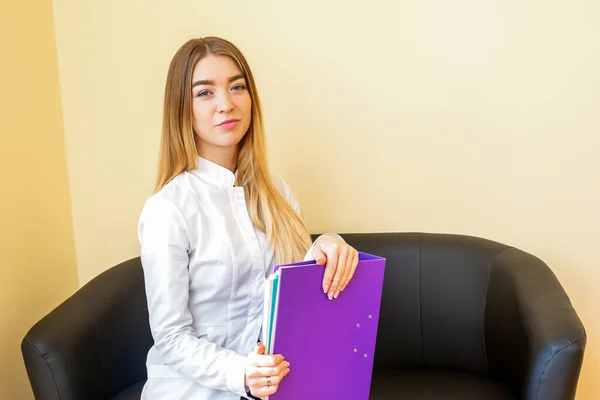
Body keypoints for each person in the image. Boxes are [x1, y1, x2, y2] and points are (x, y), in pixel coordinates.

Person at [137, 36, 359, 400]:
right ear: (182, 109)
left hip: (277, 386)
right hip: (195, 392)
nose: (226, 104)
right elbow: (172, 338)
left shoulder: (277, 190)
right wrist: (241, 372)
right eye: (205, 93)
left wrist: (326, 245)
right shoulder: (169, 208)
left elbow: (293, 296)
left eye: (237, 87)